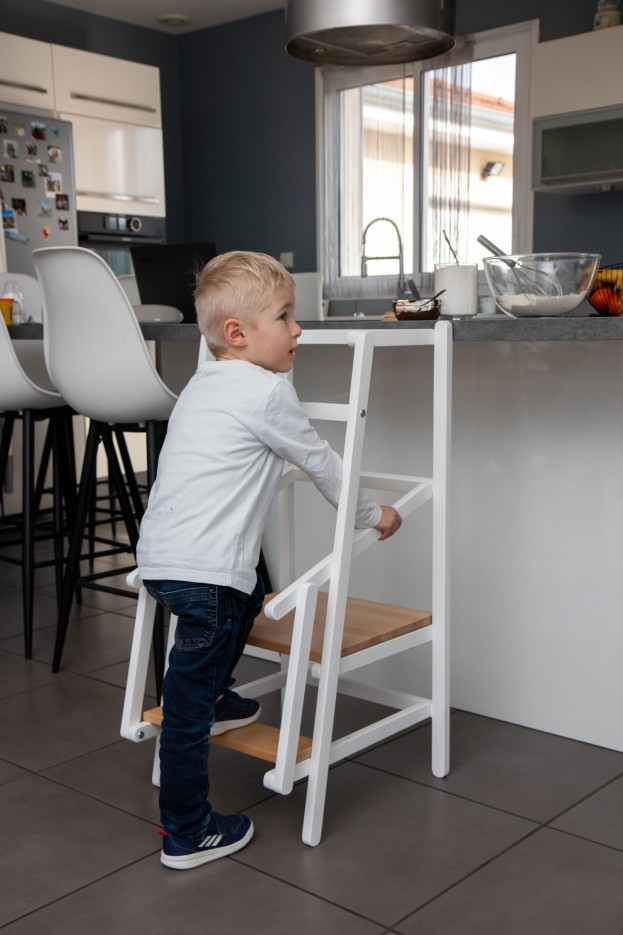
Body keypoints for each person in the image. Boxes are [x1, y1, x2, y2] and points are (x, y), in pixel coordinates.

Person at [137, 250, 402, 870]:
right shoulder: (266, 395)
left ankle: (221, 698)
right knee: (187, 702)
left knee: (253, 587)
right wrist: (374, 514)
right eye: (286, 317)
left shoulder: (204, 382)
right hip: (207, 572)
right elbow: (322, 464)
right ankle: (188, 830)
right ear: (238, 335)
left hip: (164, 559)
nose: (299, 330)